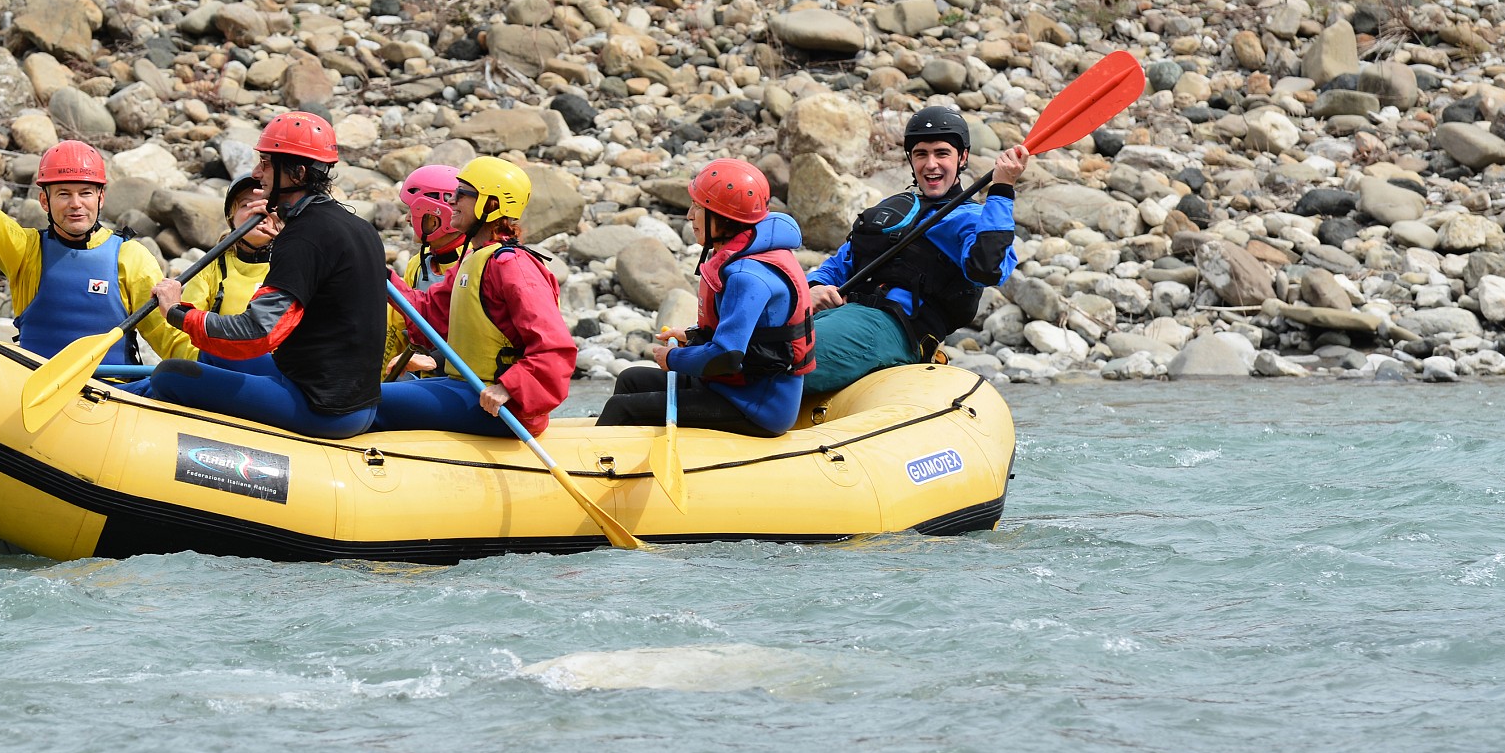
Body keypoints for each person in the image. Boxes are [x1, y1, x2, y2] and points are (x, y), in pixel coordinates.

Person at [143, 112, 388, 440]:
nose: (256, 174)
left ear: (298, 172)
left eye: (266, 164)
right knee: (208, 355)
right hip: (350, 399)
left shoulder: (304, 236)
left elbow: (256, 334)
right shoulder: (356, 226)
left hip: (324, 410)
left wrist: (177, 313)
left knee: (170, 374)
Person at [801, 105, 1025, 396]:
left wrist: (1003, 188)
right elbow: (839, 265)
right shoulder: (891, 212)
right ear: (911, 159)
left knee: (780, 353)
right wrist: (813, 290)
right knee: (763, 337)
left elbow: (986, 268)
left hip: (896, 330)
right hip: (843, 316)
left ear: (963, 158)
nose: (930, 164)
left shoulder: (971, 220)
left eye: (942, 153)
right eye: (921, 154)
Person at [596, 159, 814, 438]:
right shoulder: (747, 251)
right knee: (630, 380)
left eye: (698, 207)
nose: (689, 215)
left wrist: (673, 358)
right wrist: (691, 336)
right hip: (731, 386)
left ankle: (595, 470)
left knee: (622, 408)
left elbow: (726, 356)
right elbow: (748, 336)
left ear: (722, 217)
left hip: (756, 406)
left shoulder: (747, 276)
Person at [0, 113, 175, 362]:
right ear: (44, 201)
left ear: (101, 198)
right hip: (37, 388)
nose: (76, 204)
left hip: (114, 391)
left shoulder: (131, 257)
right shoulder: (26, 252)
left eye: (85, 193)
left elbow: (166, 334)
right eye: (63, 194)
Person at [375, 156, 576, 438]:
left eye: (461, 194)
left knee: (372, 402)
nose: (452, 202)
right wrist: (381, 277)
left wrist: (509, 387)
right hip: (466, 388)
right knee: (372, 394)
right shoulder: (474, 260)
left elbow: (556, 349)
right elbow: (429, 315)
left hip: (503, 406)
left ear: (491, 204)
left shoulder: (513, 266)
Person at [150, 174, 280, 364]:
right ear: (231, 218)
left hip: (282, 372)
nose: (258, 212)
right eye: (246, 205)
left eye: (267, 205)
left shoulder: (297, 263)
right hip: (224, 368)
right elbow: (183, 335)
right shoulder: (211, 267)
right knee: (166, 376)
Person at [383, 163, 469, 378]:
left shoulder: (474, 265)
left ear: (434, 215)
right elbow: (396, 329)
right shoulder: (417, 265)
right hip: (426, 381)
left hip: (463, 382)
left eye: (412, 211)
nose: (407, 219)